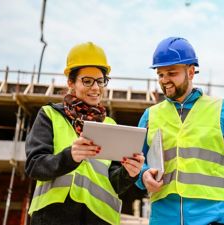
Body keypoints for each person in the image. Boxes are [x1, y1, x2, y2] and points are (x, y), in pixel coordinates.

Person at [136, 37, 224, 225]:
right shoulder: (150, 116)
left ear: (190, 72)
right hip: (163, 218)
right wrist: (143, 174)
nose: (165, 80)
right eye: (160, 74)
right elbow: (135, 161)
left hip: (212, 218)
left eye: (171, 73)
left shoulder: (223, 111)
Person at [25, 42, 144, 225]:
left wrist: (129, 173)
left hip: (99, 218)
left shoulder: (110, 125)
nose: (96, 88)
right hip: (53, 217)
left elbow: (114, 184)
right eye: (87, 81)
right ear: (71, 82)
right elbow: (35, 166)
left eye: (100, 81)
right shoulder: (50, 115)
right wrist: (69, 156)